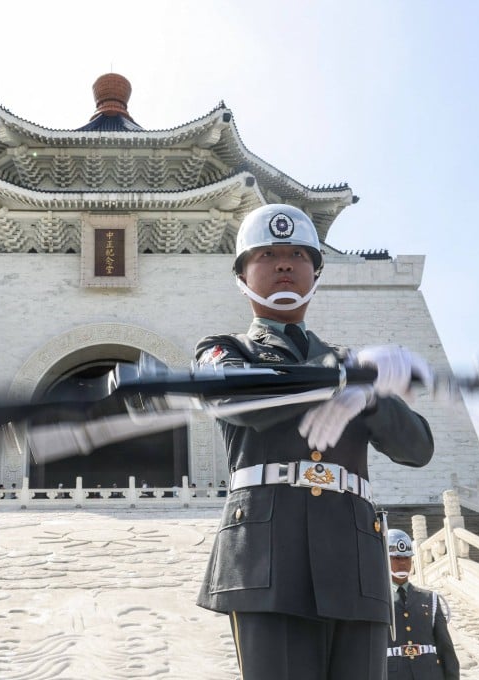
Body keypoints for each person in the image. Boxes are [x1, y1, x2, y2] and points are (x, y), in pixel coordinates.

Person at [195, 204, 436, 680]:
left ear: (317, 270)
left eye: (298, 254)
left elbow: (418, 448)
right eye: (267, 254)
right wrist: (337, 381)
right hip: (268, 561)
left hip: (356, 565)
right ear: (241, 274)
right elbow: (241, 398)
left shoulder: (353, 366)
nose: (284, 264)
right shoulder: (224, 351)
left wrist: (370, 399)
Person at [386, 529, 459, 679]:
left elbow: (446, 648)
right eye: (396, 558)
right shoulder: (377, 600)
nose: (402, 563)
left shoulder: (429, 598)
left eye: (407, 558)